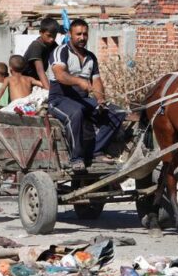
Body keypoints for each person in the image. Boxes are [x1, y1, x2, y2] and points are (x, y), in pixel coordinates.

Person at [46, 18, 126, 171]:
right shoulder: (60, 51)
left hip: (83, 99)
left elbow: (96, 80)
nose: (82, 38)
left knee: (117, 113)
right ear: (70, 34)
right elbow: (60, 74)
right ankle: (76, 158)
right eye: (78, 34)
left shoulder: (91, 57)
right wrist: (79, 81)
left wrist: (100, 99)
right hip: (59, 99)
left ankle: (95, 150)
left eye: (85, 34)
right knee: (77, 112)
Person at [23, 18, 60, 90]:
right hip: (26, 80)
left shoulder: (53, 45)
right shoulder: (36, 46)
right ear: (40, 33)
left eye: (54, 36)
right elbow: (40, 71)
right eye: (49, 35)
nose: (52, 39)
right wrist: (49, 91)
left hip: (37, 80)